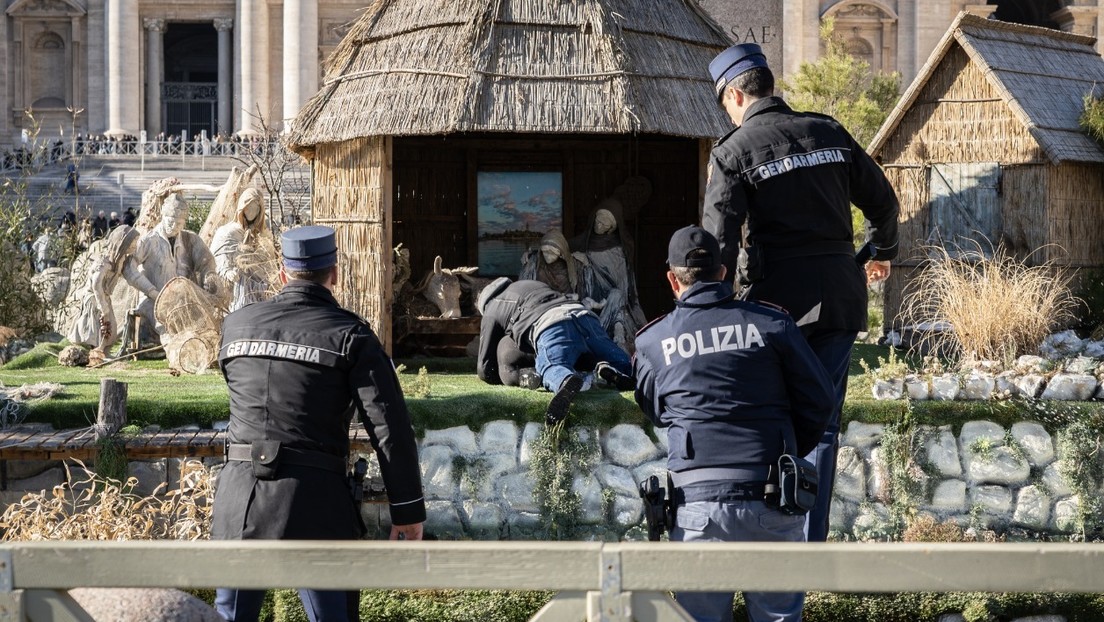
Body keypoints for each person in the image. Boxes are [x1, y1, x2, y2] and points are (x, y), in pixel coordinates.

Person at [702, 43, 899, 542]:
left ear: (732, 96)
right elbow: (884, 203)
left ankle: (772, 534)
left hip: (775, 304)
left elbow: (719, 244)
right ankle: (809, 541)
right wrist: (879, 251)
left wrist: (709, 307)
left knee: (772, 413)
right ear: (768, 86)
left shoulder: (732, 152)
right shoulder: (827, 130)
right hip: (839, 297)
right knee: (823, 422)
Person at [212, 225, 426, 622]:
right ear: (335, 274)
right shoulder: (351, 335)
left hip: (238, 497)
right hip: (315, 500)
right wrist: (408, 511)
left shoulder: (236, 328)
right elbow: (389, 429)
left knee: (229, 617)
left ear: (282, 273)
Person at [633, 226, 833, 622]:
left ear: (673, 280)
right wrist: (786, 451)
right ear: (723, 273)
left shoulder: (652, 342)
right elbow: (820, 400)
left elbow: (656, 410)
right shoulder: (772, 323)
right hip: (773, 498)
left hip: (696, 509)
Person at [477, 277, 635, 425]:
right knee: (615, 358)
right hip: (583, 315)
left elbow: (484, 368)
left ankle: (564, 379)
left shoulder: (492, 308)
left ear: (485, 303)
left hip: (551, 323)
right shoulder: (530, 284)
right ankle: (622, 372)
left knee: (551, 365)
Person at [121, 193, 221, 344]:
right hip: (154, 301)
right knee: (167, 328)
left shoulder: (190, 239)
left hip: (184, 299)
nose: (174, 226)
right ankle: (175, 349)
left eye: (179, 223)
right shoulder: (149, 240)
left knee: (206, 325)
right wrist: (151, 291)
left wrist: (209, 277)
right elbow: (129, 268)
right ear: (163, 214)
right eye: (171, 221)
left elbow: (206, 261)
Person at [569, 201, 647, 352]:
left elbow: (622, 285)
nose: (600, 224)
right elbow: (555, 247)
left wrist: (588, 262)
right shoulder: (582, 242)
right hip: (587, 298)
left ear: (612, 227)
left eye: (606, 222)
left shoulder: (619, 250)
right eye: (599, 219)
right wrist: (532, 254)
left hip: (611, 301)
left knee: (617, 298)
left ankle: (619, 338)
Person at [211, 187, 277, 311]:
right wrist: (227, 272)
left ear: (261, 211)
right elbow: (218, 258)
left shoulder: (263, 235)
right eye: (249, 207)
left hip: (260, 291)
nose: (252, 212)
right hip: (236, 289)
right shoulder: (227, 232)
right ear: (242, 208)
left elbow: (269, 263)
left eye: (256, 208)